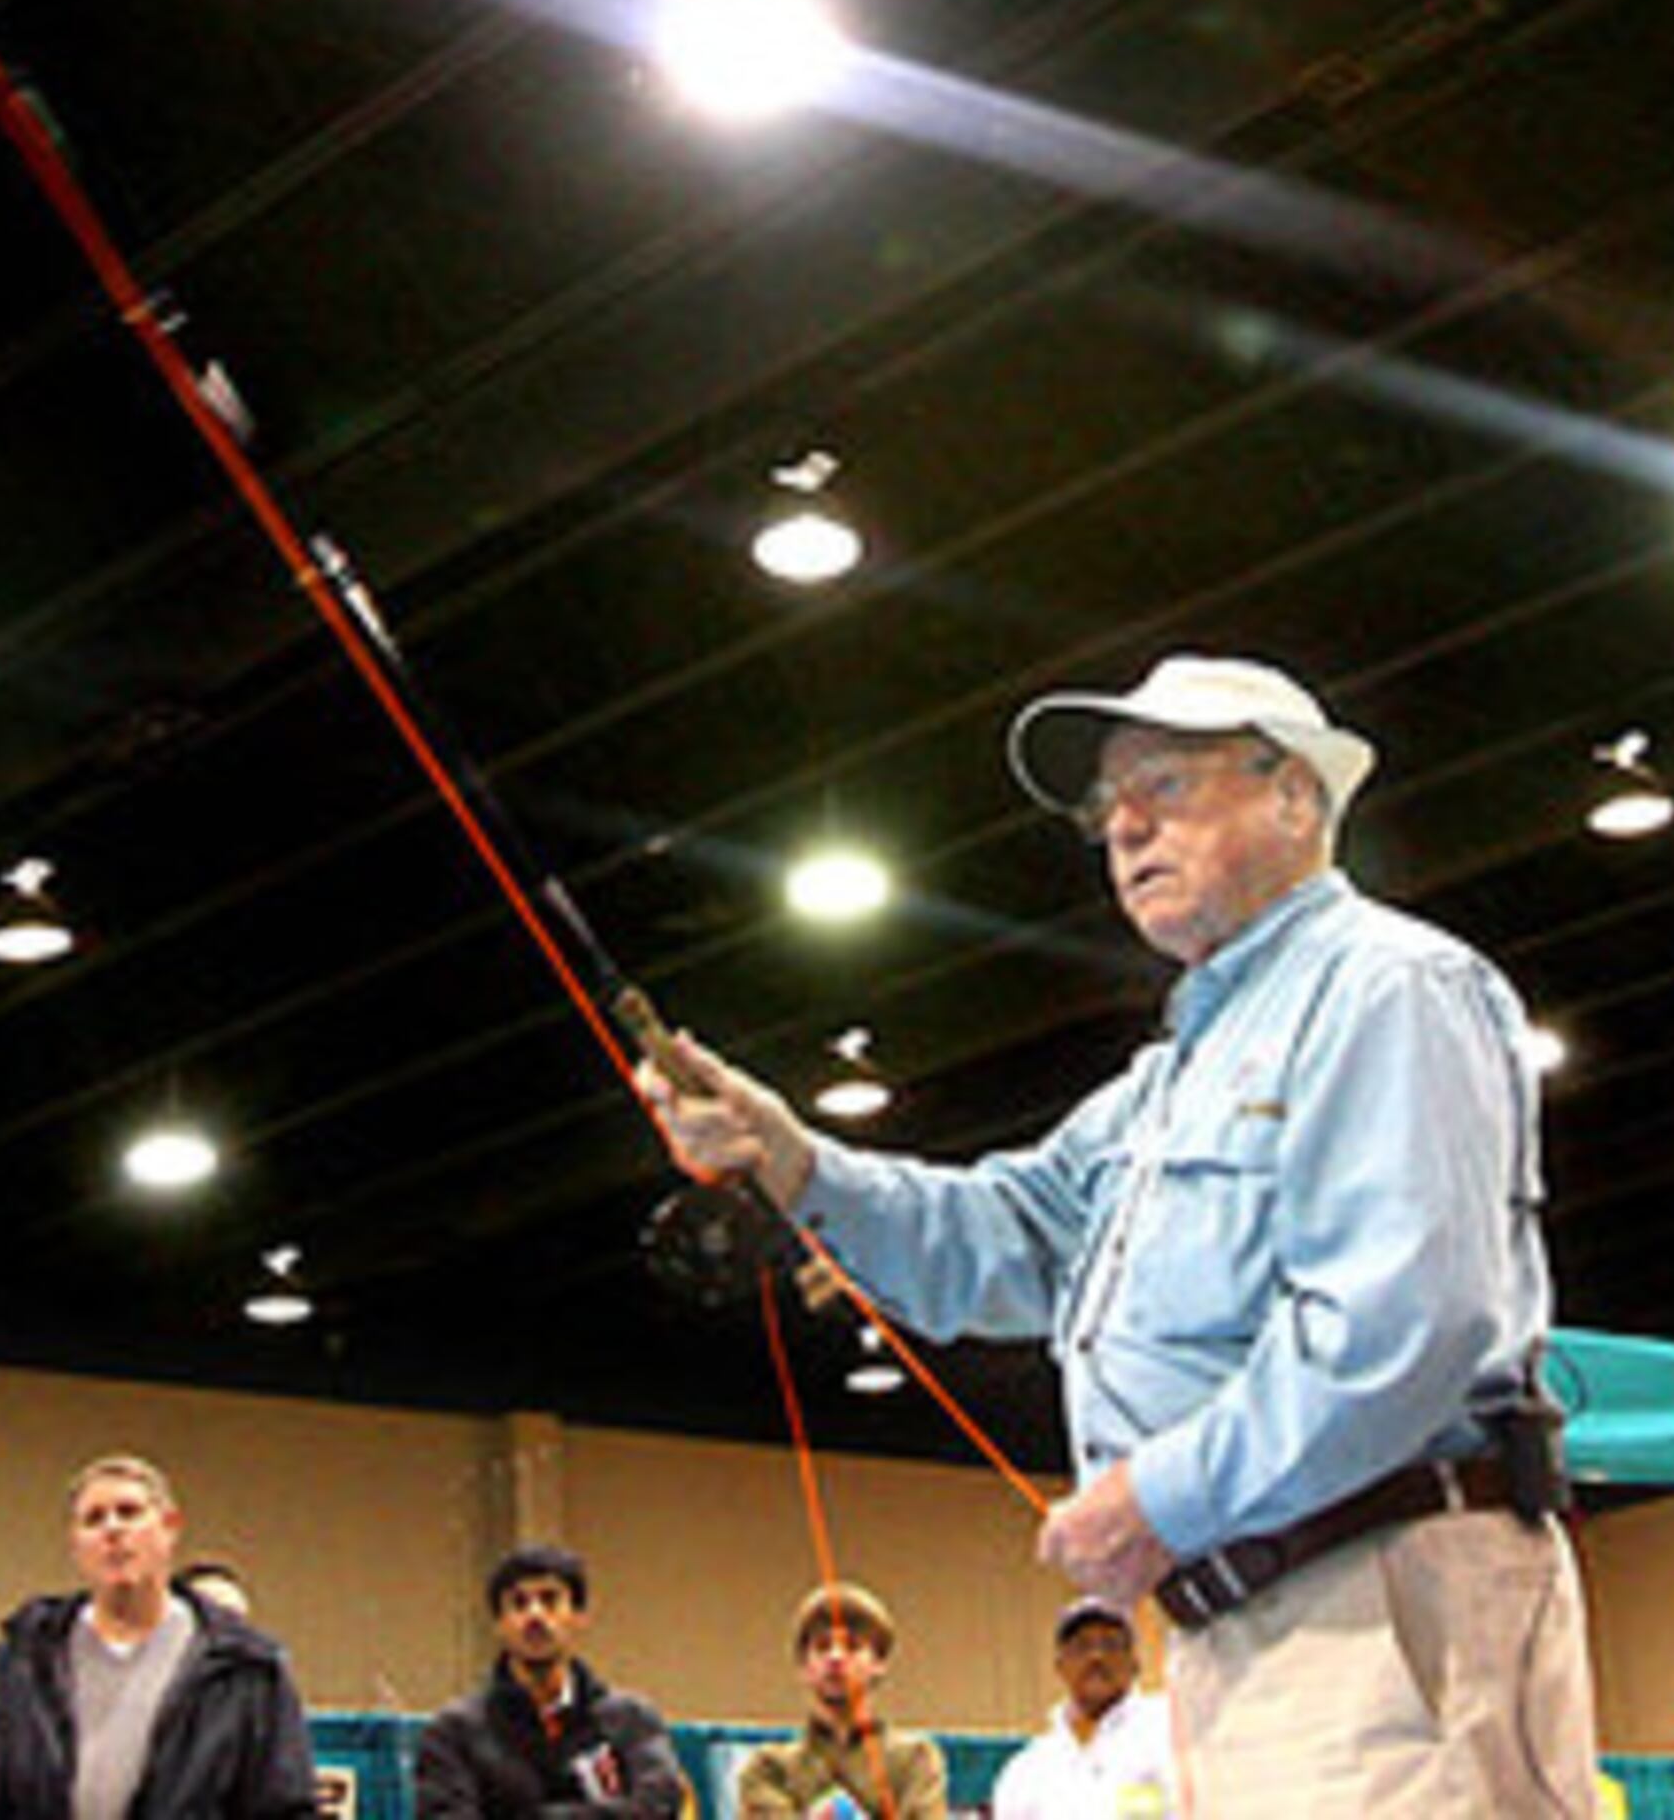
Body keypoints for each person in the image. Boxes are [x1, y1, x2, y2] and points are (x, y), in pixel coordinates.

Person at [643, 655, 1595, 1817]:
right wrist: (793, 1161)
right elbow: (997, 1236)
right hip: (1245, 1633)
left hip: (1381, 1606)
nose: (1125, 825)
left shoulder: (1387, 988)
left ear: (1296, 795)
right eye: (1108, 808)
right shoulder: (1162, 1086)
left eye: (1167, 784)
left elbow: (1401, 1322)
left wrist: (1162, 1495)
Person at [0, 1455, 313, 1820]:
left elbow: (283, 1808)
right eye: (93, 1519)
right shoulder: (18, 1665)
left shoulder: (246, 1671)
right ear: (75, 1546)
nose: (112, 1529)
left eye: (129, 1512)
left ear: (170, 1527)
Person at [407, 1545, 681, 1818]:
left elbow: (660, 1806)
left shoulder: (632, 1720)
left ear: (578, 1617)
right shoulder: (452, 1735)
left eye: (550, 1600)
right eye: (519, 1603)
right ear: (499, 1624)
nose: (535, 1615)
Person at [729, 1584, 942, 1820]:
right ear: (804, 1666)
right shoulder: (769, 1770)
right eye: (822, 1646)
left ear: (879, 1663)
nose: (836, 1657)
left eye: (852, 1646)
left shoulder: (915, 1762)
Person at [986, 1599, 1171, 1820]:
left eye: (1111, 1644)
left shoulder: (1169, 1734)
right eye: (1081, 1646)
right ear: (1060, 1666)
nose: (1096, 1657)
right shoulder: (1026, 1772)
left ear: (1134, 1664)